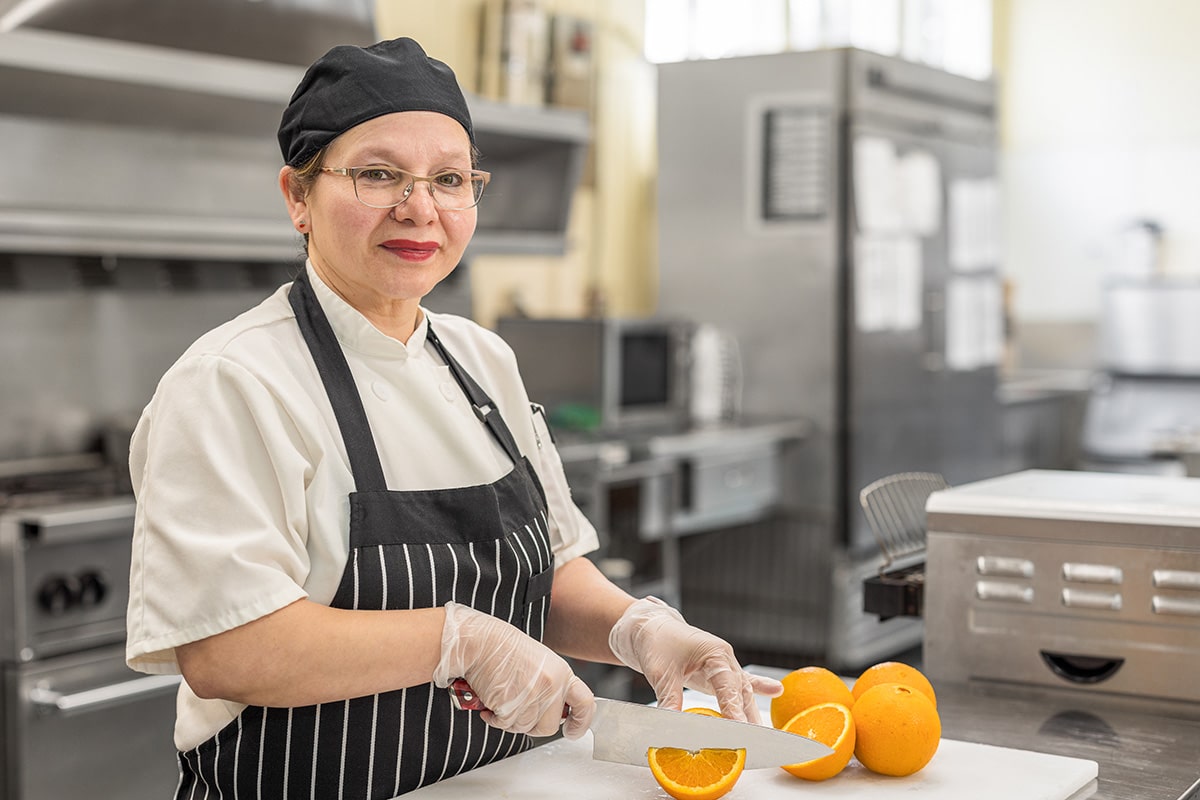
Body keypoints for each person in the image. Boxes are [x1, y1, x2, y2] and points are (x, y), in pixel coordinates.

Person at [125, 37, 781, 800]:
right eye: (377, 174)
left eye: (449, 179)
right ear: (297, 196)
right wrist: (456, 640)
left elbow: (548, 569)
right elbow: (228, 647)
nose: (419, 209)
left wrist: (641, 632)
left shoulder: (482, 360)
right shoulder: (232, 382)